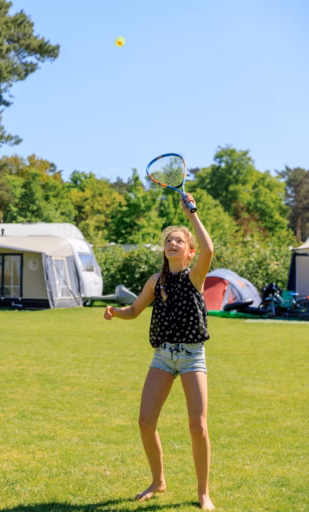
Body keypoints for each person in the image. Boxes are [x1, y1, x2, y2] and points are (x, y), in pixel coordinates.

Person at [104, 193, 215, 510]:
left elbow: (209, 249)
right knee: (145, 421)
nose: (172, 243)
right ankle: (158, 480)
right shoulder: (156, 280)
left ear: (189, 252)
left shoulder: (194, 277)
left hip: (192, 356)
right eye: (169, 240)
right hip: (163, 357)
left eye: (179, 241)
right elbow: (135, 310)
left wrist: (192, 213)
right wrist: (116, 312)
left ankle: (203, 493)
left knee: (199, 426)